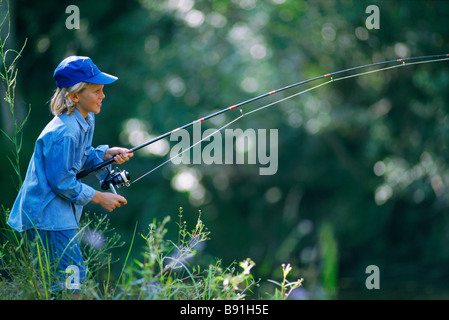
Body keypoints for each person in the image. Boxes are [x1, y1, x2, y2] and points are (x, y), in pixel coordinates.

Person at [7, 55, 133, 294]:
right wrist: (99, 197)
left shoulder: (86, 118)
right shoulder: (64, 132)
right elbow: (62, 181)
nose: (102, 96)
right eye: (96, 91)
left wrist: (106, 154)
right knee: (68, 285)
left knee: (71, 281)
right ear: (75, 96)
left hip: (60, 216)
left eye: (102, 90)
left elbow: (81, 156)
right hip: (47, 216)